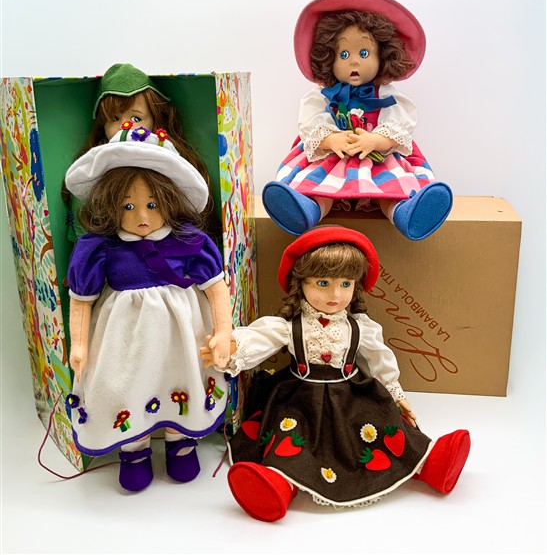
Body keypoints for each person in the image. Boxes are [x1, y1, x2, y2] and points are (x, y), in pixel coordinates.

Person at [202, 226, 470, 521]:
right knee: (291, 437)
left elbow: (379, 358)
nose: (335, 294)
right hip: (300, 398)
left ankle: (430, 464)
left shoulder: (360, 327)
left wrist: (395, 392)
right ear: (300, 283)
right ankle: (278, 484)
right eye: (323, 283)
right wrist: (230, 348)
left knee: (381, 425)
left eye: (345, 283)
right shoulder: (289, 326)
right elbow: (258, 341)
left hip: (351, 395)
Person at [64, 123, 232, 492]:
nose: (142, 216)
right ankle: (134, 451)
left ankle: (180, 444)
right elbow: (81, 300)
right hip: (125, 340)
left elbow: (216, 288)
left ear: (170, 202)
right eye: (128, 206)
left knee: (180, 380)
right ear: (111, 206)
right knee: (126, 387)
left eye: (152, 205)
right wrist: (79, 344)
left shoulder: (189, 242)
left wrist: (223, 331)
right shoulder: (100, 249)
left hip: (181, 337)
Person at [262, 0, 453, 240]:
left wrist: (378, 140)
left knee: (392, 185)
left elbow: (400, 123)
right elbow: (310, 121)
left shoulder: (386, 94)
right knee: (316, 186)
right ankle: (305, 210)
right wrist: (330, 138)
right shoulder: (322, 95)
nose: (354, 62)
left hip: (377, 156)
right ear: (328, 58)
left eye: (364, 53)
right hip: (333, 155)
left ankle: (406, 213)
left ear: (382, 55)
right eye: (343, 54)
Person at [62, 62, 219, 241]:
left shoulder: (172, 161)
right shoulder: (93, 168)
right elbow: (85, 226)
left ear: (155, 119)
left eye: (136, 118)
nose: (125, 126)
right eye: (114, 118)